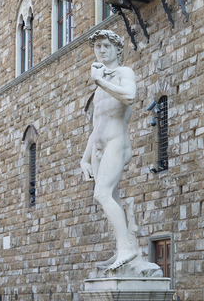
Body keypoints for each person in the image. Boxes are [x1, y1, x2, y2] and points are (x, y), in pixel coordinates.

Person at [80, 30, 137, 270]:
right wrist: (84, 158)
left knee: (101, 194)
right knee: (111, 198)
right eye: (97, 47)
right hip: (99, 146)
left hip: (116, 141)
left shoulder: (123, 73)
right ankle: (124, 248)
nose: (101, 51)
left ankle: (126, 249)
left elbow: (130, 96)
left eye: (106, 46)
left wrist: (101, 80)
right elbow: (97, 124)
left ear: (116, 49)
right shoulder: (99, 84)